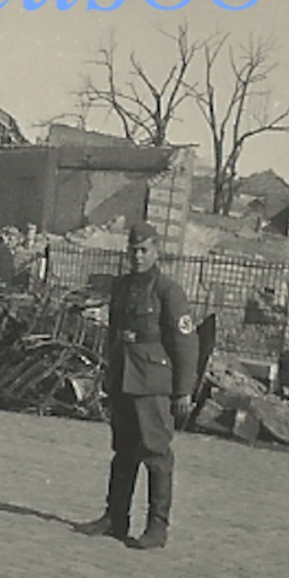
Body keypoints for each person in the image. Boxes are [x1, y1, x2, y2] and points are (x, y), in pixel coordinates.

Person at [74, 222, 197, 550]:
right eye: (133, 250)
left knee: (156, 453)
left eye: (144, 250)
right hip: (125, 379)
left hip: (153, 383)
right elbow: (115, 331)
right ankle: (115, 518)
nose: (137, 256)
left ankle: (157, 528)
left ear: (157, 251)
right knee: (123, 452)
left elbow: (185, 343)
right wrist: (109, 373)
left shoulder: (168, 291)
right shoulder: (122, 287)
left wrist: (184, 390)